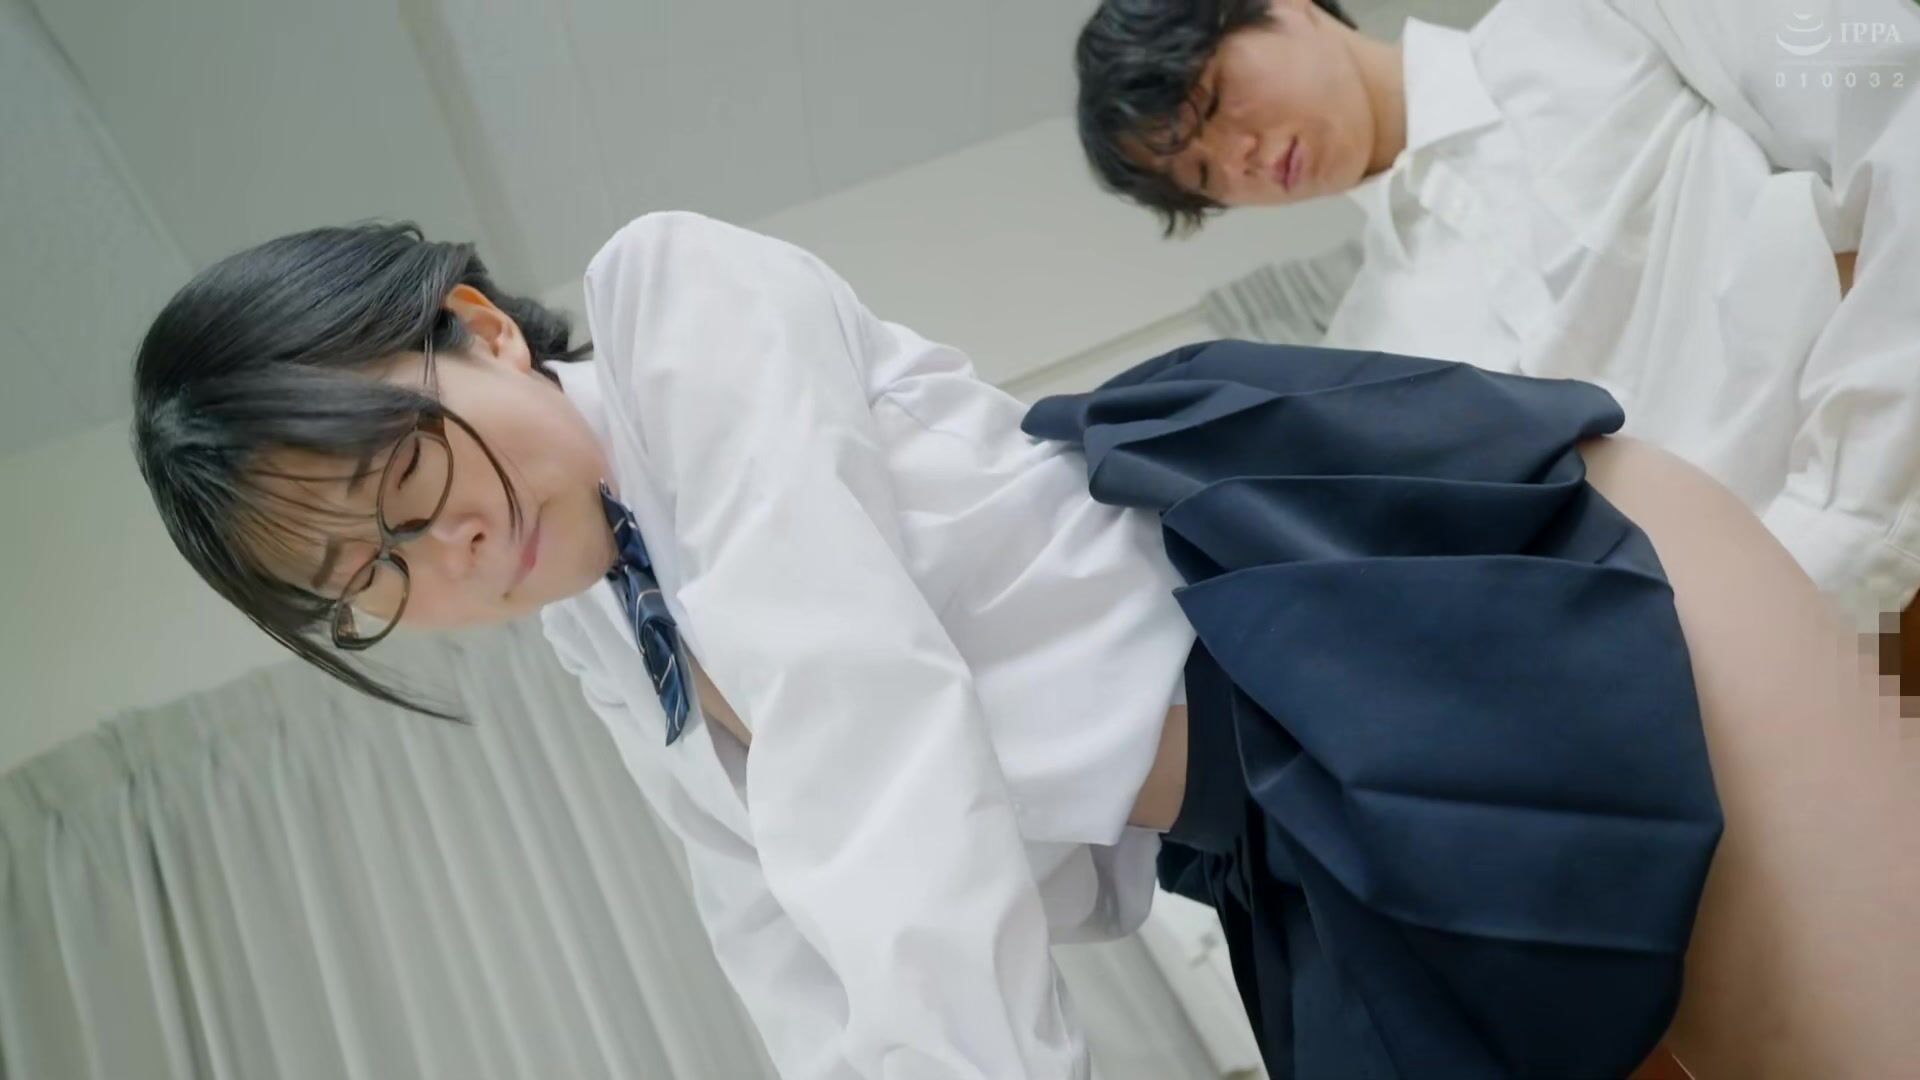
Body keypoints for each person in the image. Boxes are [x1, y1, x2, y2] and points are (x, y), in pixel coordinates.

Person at [132, 211, 1916, 1078]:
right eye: (373, 575)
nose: (444, 549)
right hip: (1294, 852)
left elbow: (863, 721)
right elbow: (777, 931)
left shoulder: (673, 303)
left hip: (1423, 637)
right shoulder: (603, 633)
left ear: (477, 332)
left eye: (404, 475)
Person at [1074, 0, 1920, 638]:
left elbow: (1898, 123)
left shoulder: (1590, 19)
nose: (1240, 158)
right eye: (1203, 176)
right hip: (1753, 680)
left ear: (1285, 7)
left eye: (1213, 104)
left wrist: (1840, 539)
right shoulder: (1366, 358)